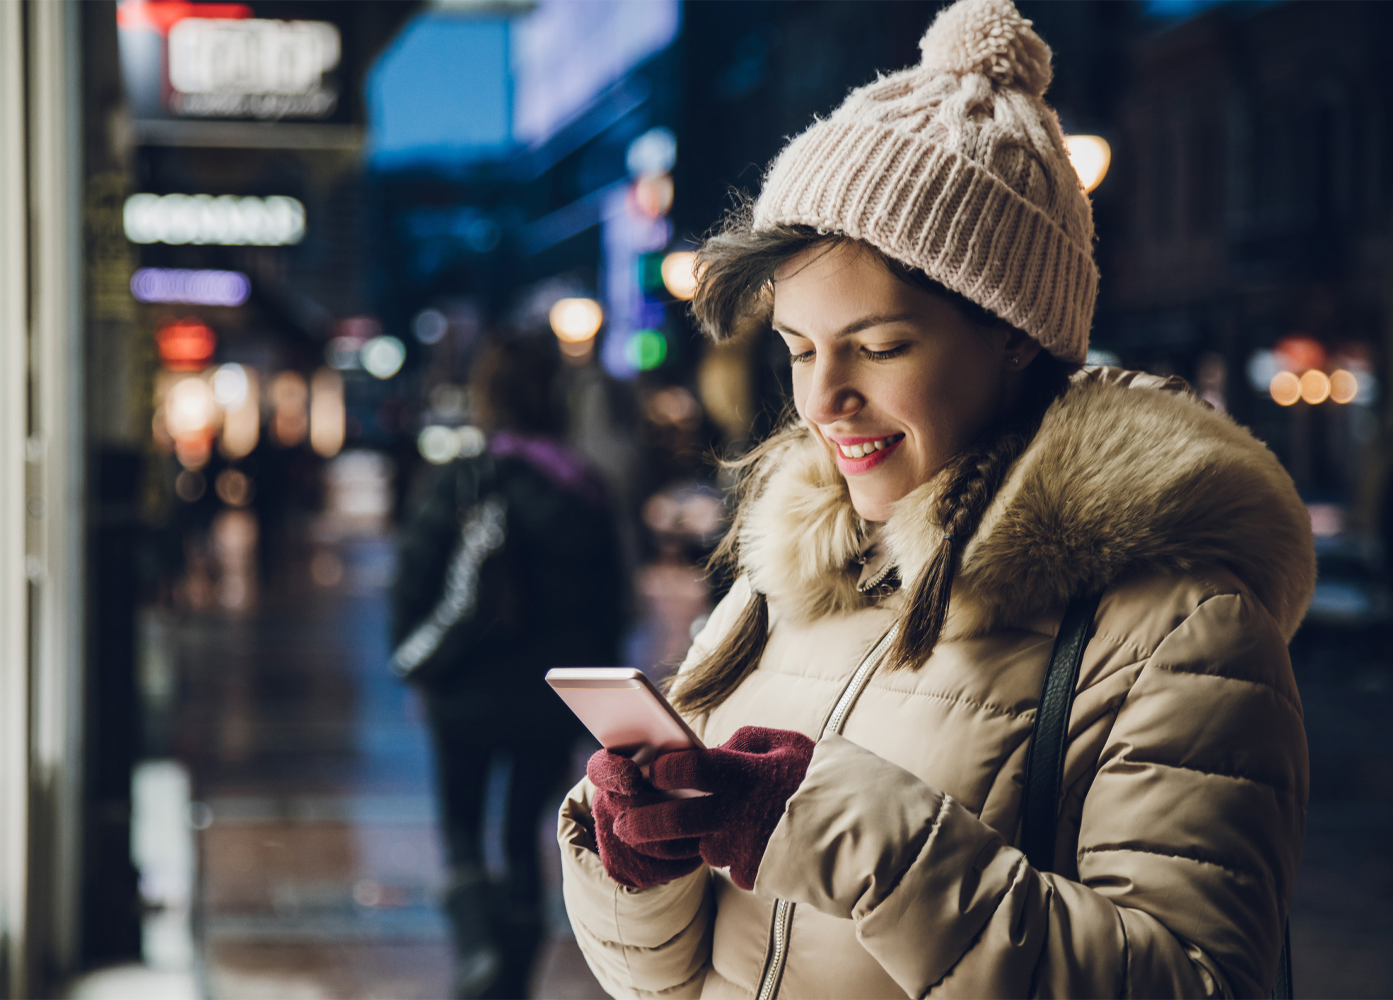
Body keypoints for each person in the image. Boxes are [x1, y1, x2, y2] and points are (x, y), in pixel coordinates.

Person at [557, 1, 1313, 997]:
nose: (823, 400)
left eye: (878, 348)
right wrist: (634, 863)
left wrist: (839, 830)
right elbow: (666, 980)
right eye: (799, 350)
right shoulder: (783, 583)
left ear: (1014, 336)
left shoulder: (1178, 626)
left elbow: (1194, 979)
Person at [393, 335, 626, 998]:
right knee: (526, 833)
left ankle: (476, 957)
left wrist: (419, 663)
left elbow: (414, 582)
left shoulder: (462, 479)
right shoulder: (583, 490)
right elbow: (612, 609)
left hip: (463, 690)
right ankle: (513, 978)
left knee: (462, 828)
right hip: (548, 702)